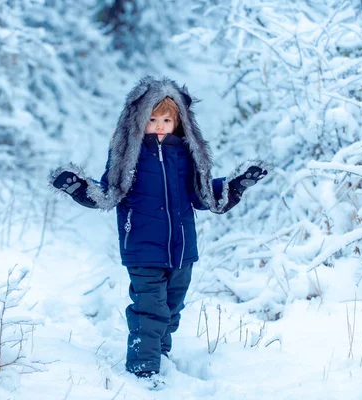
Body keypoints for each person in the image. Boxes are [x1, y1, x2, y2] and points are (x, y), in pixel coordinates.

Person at [49, 76, 269, 386]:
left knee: (170, 309)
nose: (160, 125)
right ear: (138, 120)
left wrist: (236, 185)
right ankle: (144, 372)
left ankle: (160, 357)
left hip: (181, 251)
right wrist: (78, 187)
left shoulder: (185, 155)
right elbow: (109, 192)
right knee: (150, 311)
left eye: (167, 119)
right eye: (152, 119)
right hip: (142, 247)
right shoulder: (130, 154)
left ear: (179, 121)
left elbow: (203, 196)